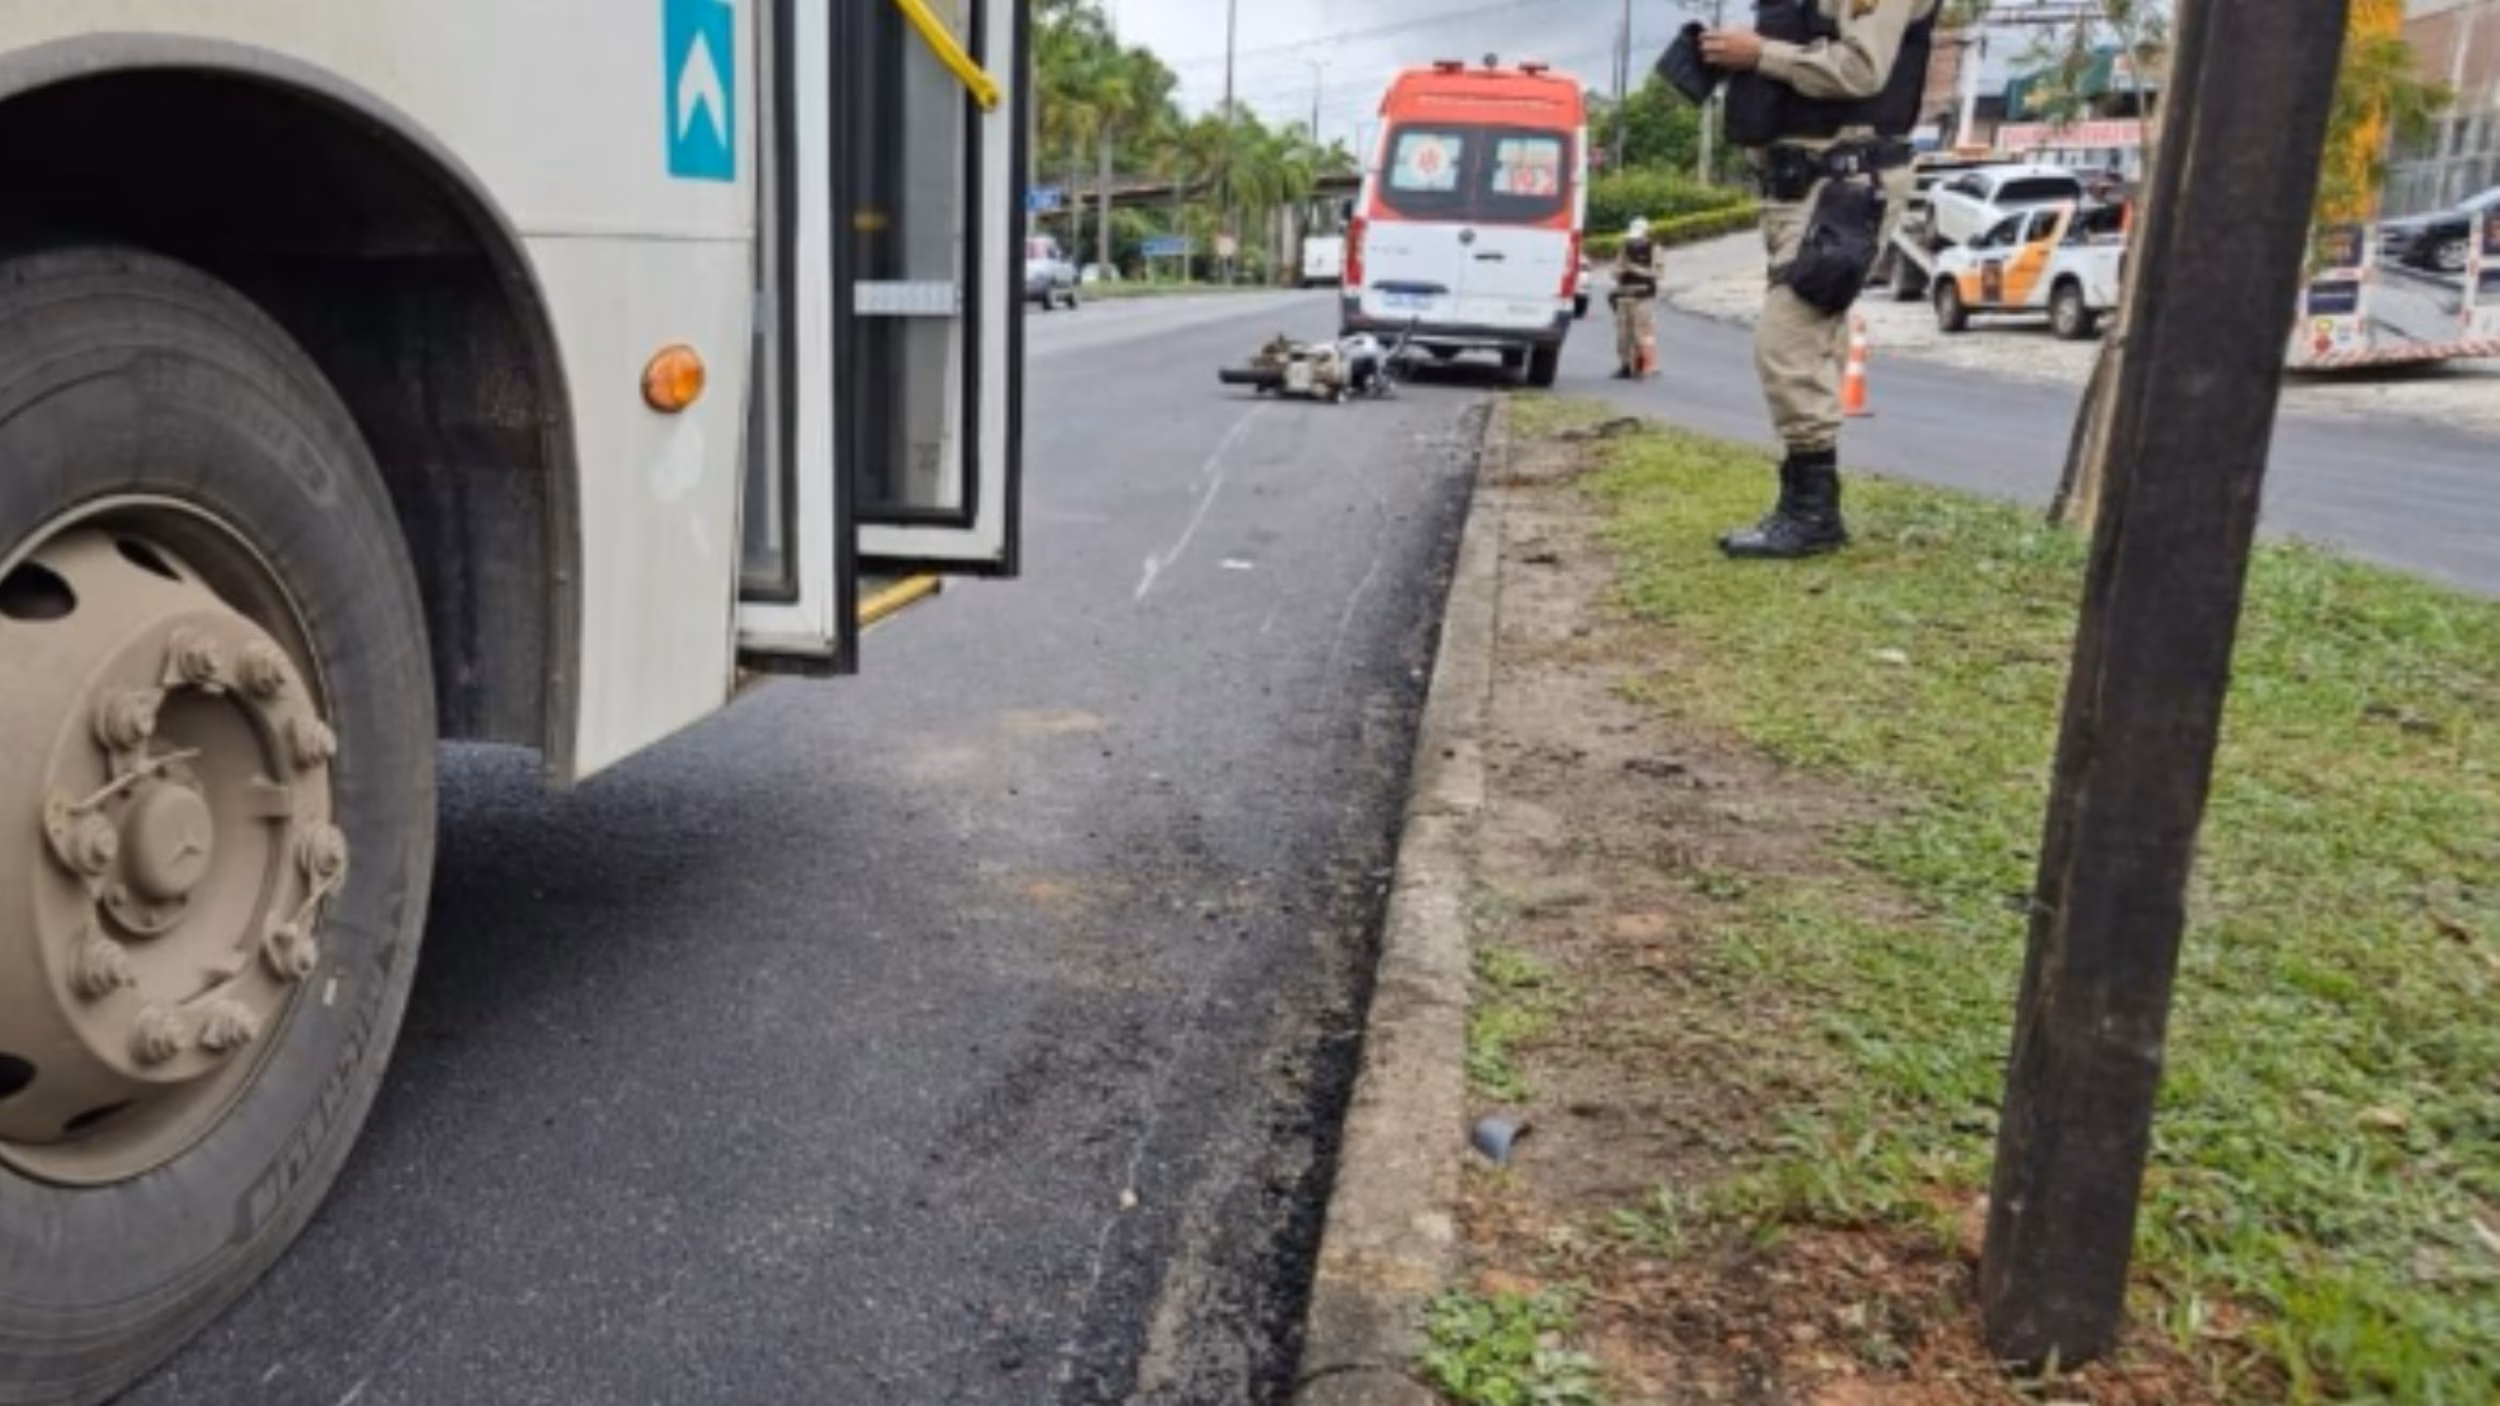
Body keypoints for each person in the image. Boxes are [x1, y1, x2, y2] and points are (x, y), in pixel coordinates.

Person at [1697, 0, 1941, 560]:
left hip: (1844, 186)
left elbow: (1862, 69)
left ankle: (1812, 512)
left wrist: (1760, 53)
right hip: (1800, 188)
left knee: (1786, 342)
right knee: (1809, 338)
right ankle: (1808, 507)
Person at [1611, 218, 1666, 380]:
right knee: (1622, 333)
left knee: (1639, 331)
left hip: (1643, 296)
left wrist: (1635, 269)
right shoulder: (1624, 248)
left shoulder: (1655, 249)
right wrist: (1619, 272)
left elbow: (1658, 274)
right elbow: (1615, 270)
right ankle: (1625, 365)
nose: (1636, 242)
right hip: (1624, 295)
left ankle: (1641, 364)